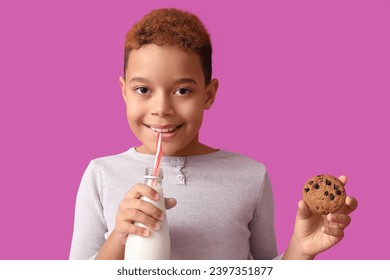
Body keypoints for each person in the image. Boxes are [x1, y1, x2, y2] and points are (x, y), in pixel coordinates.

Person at [69, 8, 358, 260]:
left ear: (209, 94)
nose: (161, 108)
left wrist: (301, 249)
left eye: (183, 90)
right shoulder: (101, 175)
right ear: (124, 92)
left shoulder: (250, 176)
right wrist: (119, 237)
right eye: (143, 90)